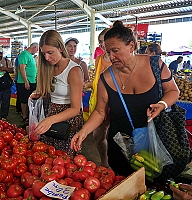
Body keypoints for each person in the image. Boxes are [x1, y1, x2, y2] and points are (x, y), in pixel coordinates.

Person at [70, 20, 179, 176]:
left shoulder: (156, 65)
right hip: (122, 147)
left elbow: (173, 91)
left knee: (158, 185)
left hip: (157, 143)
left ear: (131, 47)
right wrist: (83, 131)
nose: (111, 57)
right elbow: (100, 112)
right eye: (108, 52)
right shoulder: (106, 78)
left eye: (115, 51)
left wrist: (162, 104)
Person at [32, 30, 84, 156]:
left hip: (68, 120)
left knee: (64, 160)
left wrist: (50, 120)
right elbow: (53, 92)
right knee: (49, 156)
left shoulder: (73, 70)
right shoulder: (49, 67)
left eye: (50, 52)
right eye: (44, 53)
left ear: (60, 48)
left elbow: (76, 109)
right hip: (52, 113)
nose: (47, 58)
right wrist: (39, 93)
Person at [85, 28, 111, 167]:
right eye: (100, 42)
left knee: (115, 137)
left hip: (115, 104)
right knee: (98, 137)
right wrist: (89, 84)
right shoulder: (99, 60)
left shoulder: (118, 59)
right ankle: (104, 162)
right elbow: (98, 80)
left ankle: (116, 165)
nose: (103, 45)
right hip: (100, 102)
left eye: (105, 41)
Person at [17, 42, 39, 124]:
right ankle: (24, 116)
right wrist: (26, 82)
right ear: (34, 47)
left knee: (30, 99)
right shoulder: (24, 54)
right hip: (24, 82)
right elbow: (22, 69)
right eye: (37, 49)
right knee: (24, 100)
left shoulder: (30, 55)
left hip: (31, 81)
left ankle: (29, 115)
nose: (36, 52)